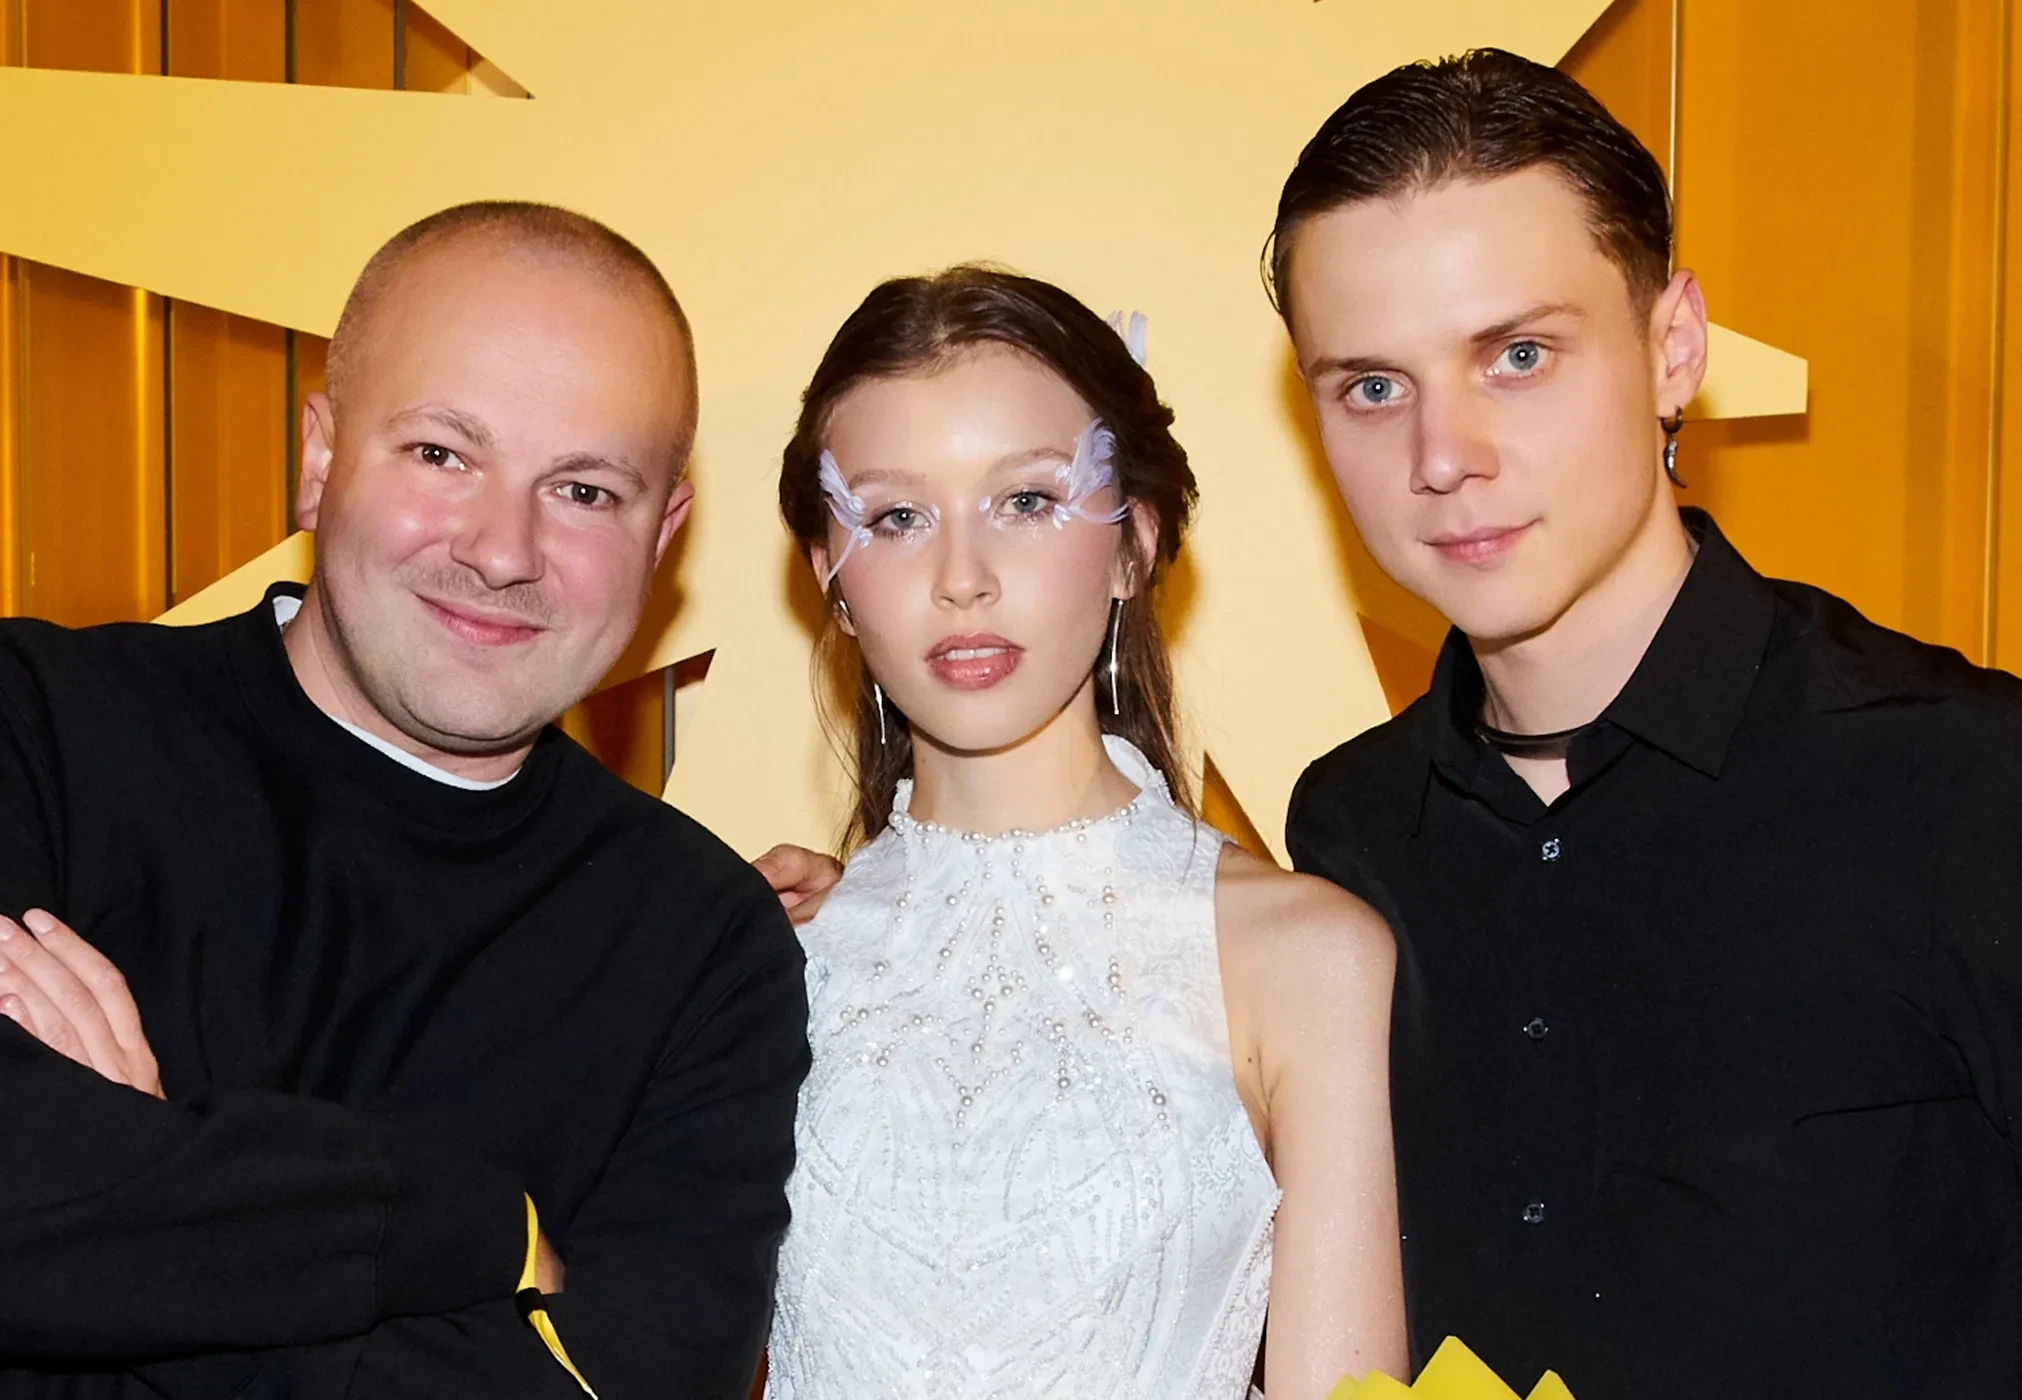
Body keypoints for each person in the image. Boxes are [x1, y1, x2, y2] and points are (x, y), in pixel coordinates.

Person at [1271, 49, 2022, 1399]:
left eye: (1517, 355)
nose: (1442, 457)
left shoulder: (1965, 781)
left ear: (1673, 347)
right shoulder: (1351, 830)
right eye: (1372, 386)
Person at [0, 201, 807, 1399]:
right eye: (441, 454)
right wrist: (475, 1230)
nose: (502, 550)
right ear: (320, 459)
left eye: (585, 491)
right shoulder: (34, 725)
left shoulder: (705, 943)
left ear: (663, 534)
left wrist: (160, 1189)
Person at [759, 265, 1404, 1400]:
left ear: (1132, 543)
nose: (963, 579)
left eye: (1026, 501)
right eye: (898, 517)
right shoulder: (766, 955)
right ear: (832, 575)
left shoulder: (1306, 956)